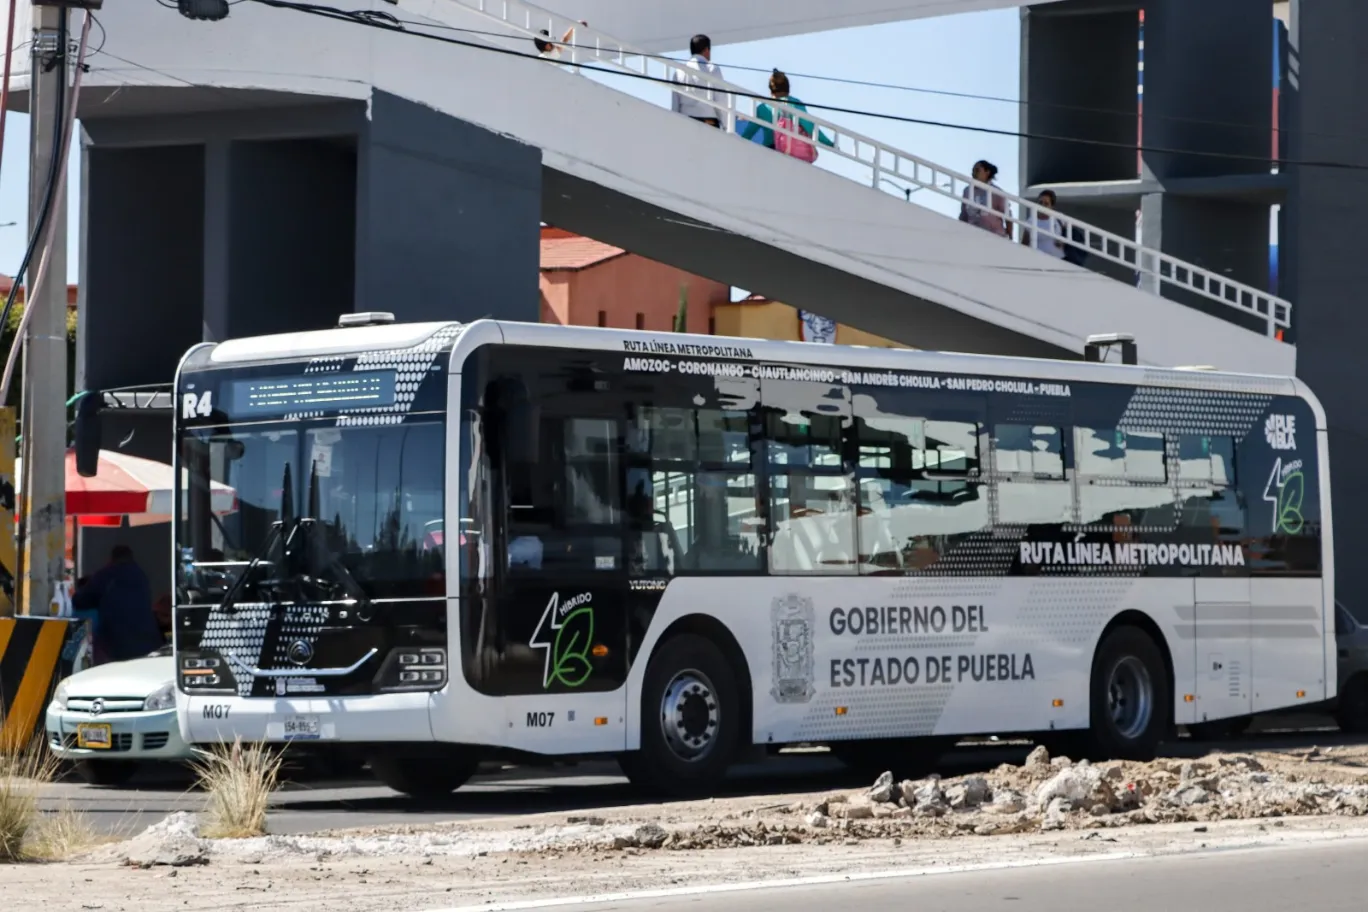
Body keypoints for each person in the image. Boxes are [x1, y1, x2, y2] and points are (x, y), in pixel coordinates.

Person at [71, 545, 163, 664]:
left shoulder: (106, 575)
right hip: (149, 643)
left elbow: (79, 601)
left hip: (118, 644)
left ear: (112, 559)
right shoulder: (141, 575)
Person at [738, 69, 835, 162]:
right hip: (791, 153)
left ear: (770, 88)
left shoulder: (762, 108)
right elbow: (810, 127)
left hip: (769, 151)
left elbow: (749, 133)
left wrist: (737, 145)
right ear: (788, 87)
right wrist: (829, 143)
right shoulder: (793, 103)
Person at [670, 34, 728, 128]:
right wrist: (726, 125)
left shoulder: (679, 71)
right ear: (706, 50)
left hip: (685, 121)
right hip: (709, 122)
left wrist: (675, 124)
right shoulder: (713, 69)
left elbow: (675, 103)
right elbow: (720, 100)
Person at [959, 160, 1010, 238]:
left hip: (994, 236)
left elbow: (1008, 217)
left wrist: (1010, 236)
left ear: (987, 172)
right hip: (973, 235)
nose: (973, 174)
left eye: (977, 170)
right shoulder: (967, 191)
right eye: (973, 171)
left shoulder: (997, 193)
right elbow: (964, 214)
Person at [1020, 189, 1066, 259]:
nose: (1042, 205)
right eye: (1040, 203)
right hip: (1038, 261)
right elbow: (1024, 244)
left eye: (1046, 203)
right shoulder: (1031, 221)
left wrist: (1063, 242)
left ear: (1052, 206)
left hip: (1058, 261)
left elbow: (1070, 236)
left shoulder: (1059, 218)